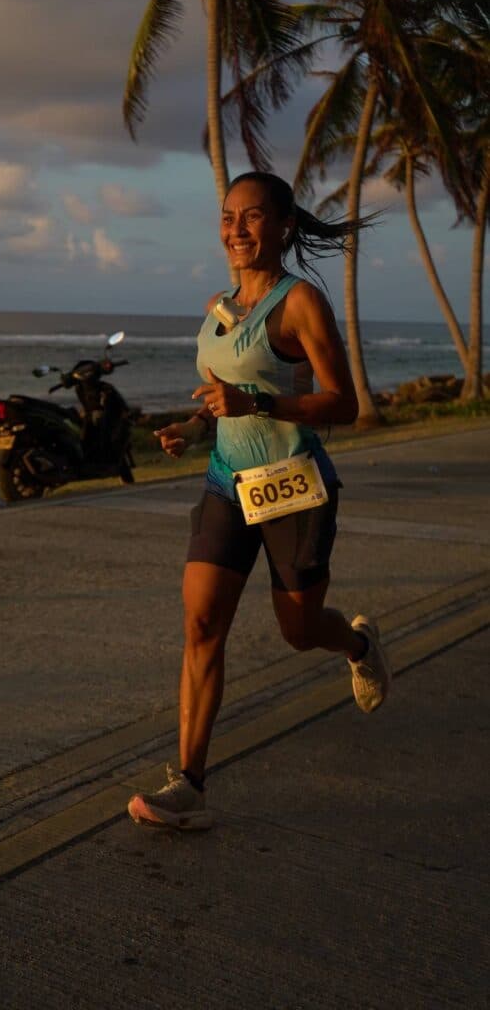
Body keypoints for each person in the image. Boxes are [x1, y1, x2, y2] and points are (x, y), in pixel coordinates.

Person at [127, 171, 391, 830]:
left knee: (301, 634)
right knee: (200, 626)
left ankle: (357, 645)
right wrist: (192, 428)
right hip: (227, 484)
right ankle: (188, 785)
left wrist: (260, 403)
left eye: (250, 218)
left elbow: (344, 402)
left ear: (283, 227)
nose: (235, 230)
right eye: (226, 217)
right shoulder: (219, 307)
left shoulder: (300, 303)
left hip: (293, 488)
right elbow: (226, 397)